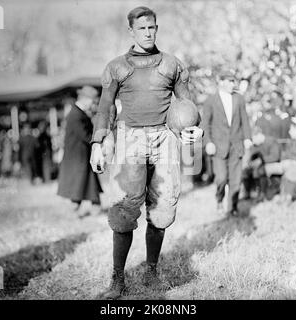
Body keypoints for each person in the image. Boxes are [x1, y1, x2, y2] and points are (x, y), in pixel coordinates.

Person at [89, 6, 203, 300]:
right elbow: (105, 108)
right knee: (124, 210)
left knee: (163, 208)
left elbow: (186, 106)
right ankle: (117, 279)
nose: (148, 32)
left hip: (164, 138)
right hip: (130, 138)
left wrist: (193, 128)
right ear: (131, 31)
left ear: (156, 28)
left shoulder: (172, 65)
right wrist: (98, 143)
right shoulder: (116, 67)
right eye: (142, 28)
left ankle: (151, 270)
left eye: (152, 27)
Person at [202, 69, 252, 216]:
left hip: (236, 146)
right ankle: (219, 200)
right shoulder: (211, 100)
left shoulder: (239, 98)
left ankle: (232, 208)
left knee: (236, 180)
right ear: (221, 82)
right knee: (221, 178)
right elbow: (205, 124)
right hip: (218, 147)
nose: (232, 84)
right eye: (230, 81)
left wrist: (248, 137)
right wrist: (208, 142)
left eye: (233, 81)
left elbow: (245, 119)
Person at [57, 86, 103, 214]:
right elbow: (85, 135)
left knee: (83, 185)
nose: (93, 104)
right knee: (80, 185)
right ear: (85, 99)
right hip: (78, 157)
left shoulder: (78, 112)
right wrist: (98, 142)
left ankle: (92, 207)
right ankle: (89, 208)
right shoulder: (76, 114)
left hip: (81, 155)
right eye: (93, 101)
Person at [242, 127, 281, 201]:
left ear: (259, 135)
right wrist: (250, 162)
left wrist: (261, 160)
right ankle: (248, 192)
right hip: (262, 165)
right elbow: (252, 156)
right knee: (246, 170)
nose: (253, 142)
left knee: (260, 170)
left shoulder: (271, 141)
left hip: (274, 164)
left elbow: (275, 156)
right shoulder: (256, 145)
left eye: (253, 139)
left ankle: (262, 193)